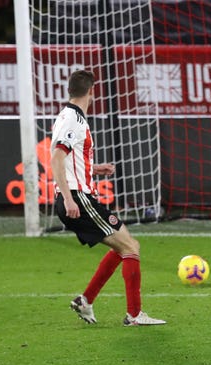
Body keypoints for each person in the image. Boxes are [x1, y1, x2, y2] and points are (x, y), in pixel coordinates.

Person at [50, 69, 165, 326]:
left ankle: (86, 300)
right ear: (92, 91)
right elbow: (56, 159)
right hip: (79, 200)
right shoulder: (73, 121)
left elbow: (69, 160)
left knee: (123, 247)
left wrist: (93, 168)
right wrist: (68, 199)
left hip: (80, 197)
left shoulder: (67, 116)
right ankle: (134, 315)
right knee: (131, 247)